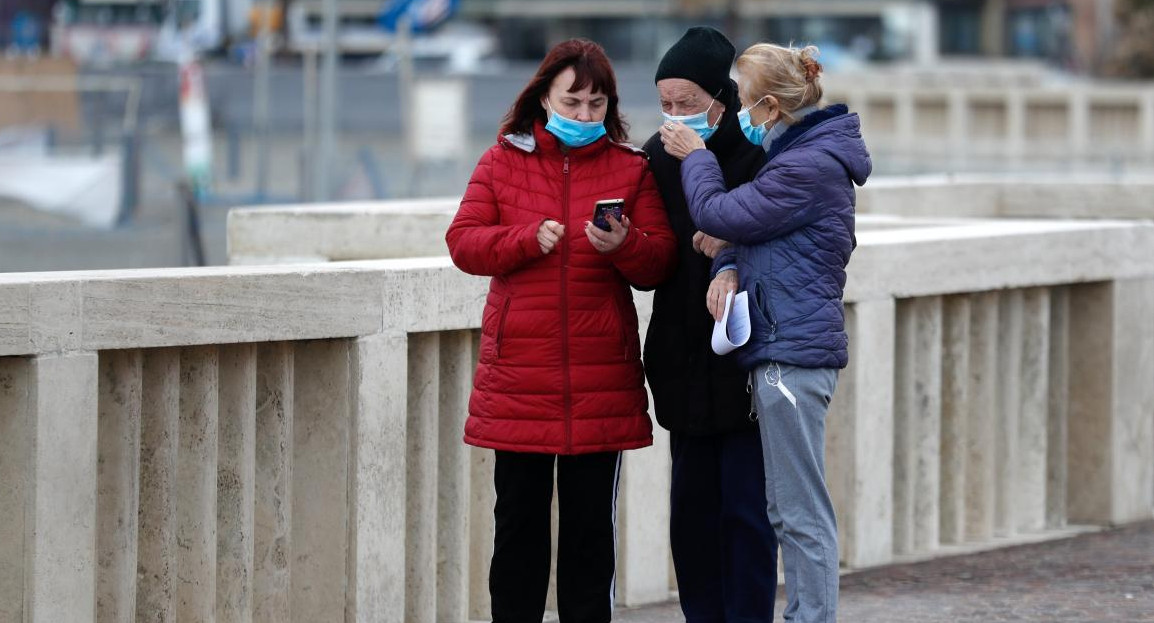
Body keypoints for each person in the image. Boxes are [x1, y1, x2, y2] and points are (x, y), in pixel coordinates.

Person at [446, 38, 677, 623]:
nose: (584, 116)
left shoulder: (631, 168)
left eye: (596, 104)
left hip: (600, 380)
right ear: (543, 97)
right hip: (519, 381)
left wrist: (623, 244)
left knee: (589, 537)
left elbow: (659, 263)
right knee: (518, 531)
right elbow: (463, 242)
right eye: (572, 102)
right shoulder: (502, 160)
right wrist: (524, 239)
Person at [660, 43, 872, 623]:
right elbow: (760, 233)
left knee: (800, 513)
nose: (742, 113)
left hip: (792, 357)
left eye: (747, 103)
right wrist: (732, 254)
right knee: (786, 508)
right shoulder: (809, 158)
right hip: (789, 351)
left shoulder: (804, 166)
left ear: (772, 108)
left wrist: (697, 156)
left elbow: (718, 212)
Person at [640, 26, 780, 623]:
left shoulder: (757, 153)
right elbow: (652, 256)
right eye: (667, 104)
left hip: (745, 355)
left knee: (747, 510)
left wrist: (730, 253)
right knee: (691, 512)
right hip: (681, 349)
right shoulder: (653, 156)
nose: (676, 116)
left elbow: (780, 238)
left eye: (688, 104)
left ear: (720, 100)